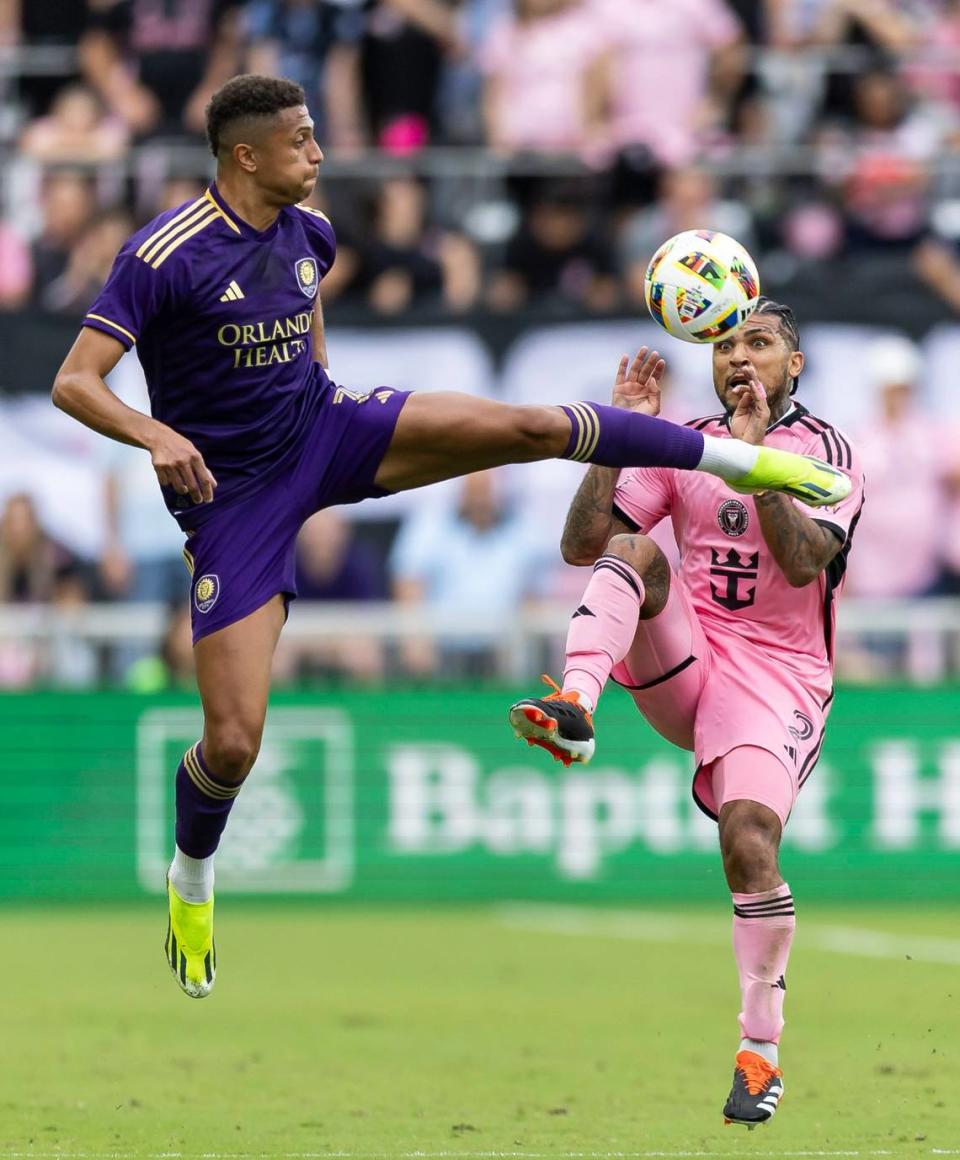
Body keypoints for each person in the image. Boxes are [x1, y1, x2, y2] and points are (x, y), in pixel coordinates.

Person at [49, 74, 850, 1001]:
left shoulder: (311, 234)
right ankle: (192, 874)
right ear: (246, 155)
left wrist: (327, 410)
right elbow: (76, 380)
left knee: (526, 428)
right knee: (232, 743)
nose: (318, 153)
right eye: (302, 140)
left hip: (326, 427)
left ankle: (742, 463)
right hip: (237, 500)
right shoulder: (164, 254)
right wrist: (159, 434)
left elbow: (306, 333)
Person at [508, 298, 864, 1128]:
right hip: (692, 658)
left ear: (795, 365)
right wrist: (622, 434)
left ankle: (759, 1053)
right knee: (635, 552)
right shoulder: (684, 447)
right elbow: (582, 544)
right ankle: (575, 706)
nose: (739, 356)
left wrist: (748, 458)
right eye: (726, 344)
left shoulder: (828, 454)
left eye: (761, 343)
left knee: (747, 842)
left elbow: (806, 557)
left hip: (778, 680)